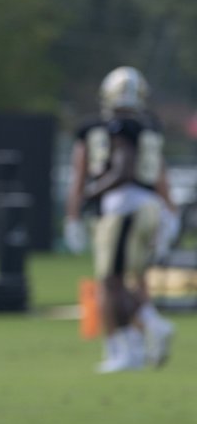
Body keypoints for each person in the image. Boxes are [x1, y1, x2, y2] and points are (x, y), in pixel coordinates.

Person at [64, 65, 176, 372]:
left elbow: (109, 171)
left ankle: (143, 333)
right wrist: (171, 213)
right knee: (131, 279)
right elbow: (160, 176)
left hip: (121, 208)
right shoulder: (150, 126)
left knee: (110, 281)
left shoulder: (112, 127)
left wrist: (82, 203)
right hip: (151, 207)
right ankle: (133, 348)